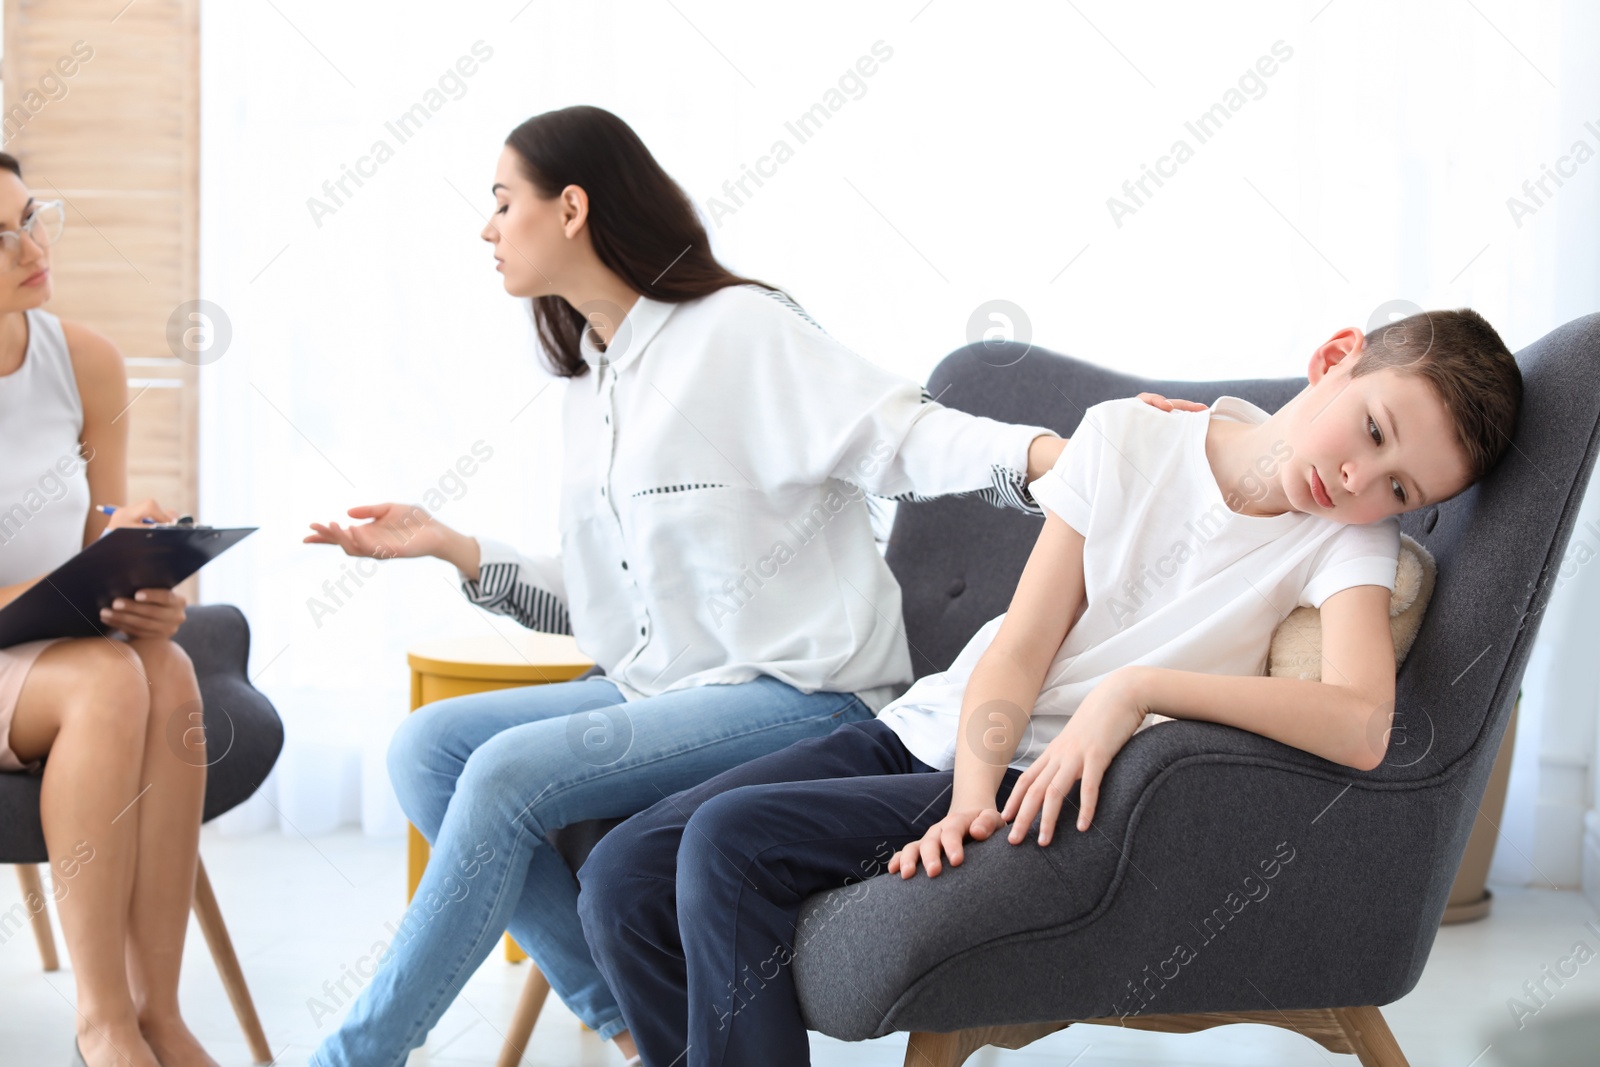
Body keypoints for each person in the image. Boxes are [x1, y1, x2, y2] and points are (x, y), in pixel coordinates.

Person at [301, 104, 1144, 1067]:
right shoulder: (593, 380)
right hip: (666, 693)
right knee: (426, 749)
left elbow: (901, 436)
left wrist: (1052, 458)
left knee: (499, 775)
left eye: (502, 202)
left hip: (802, 697)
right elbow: (612, 605)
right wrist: (458, 550)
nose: (486, 229)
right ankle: (627, 1021)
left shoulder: (738, 330)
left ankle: (352, 1058)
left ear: (571, 206)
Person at [576, 308, 1523, 1067]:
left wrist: (1138, 690)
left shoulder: (1345, 543)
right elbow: (1023, 642)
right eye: (1373, 431)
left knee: (728, 845)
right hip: (937, 738)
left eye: (1400, 490)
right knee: (619, 875)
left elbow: (1361, 721)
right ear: (1336, 357)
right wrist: (970, 790)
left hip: (1038, 773)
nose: (1361, 479)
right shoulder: (1127, 440)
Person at [0, 151, 219, 1067]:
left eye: (30, 215)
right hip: (48, 663)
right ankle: (100, 1023)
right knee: (105, 683)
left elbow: (97, 522)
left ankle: (154, 1011)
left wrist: (138, 582)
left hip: (49, 644)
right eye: (0, 236)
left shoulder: (80, 359)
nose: (31, 245)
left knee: (162, 667)